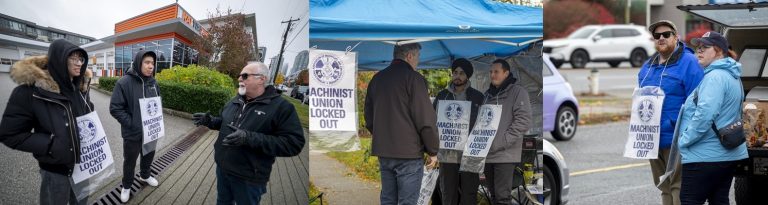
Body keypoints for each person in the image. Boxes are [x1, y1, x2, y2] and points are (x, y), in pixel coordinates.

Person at [192, 62, 305, 204]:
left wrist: (248, 138)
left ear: (261, 79)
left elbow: (294, 143)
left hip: (249, 178)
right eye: (240, 75)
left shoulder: (281, 107)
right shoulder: (236, 100)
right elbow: (225, 123)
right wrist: (210, 121)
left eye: (245, 76)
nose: (239, 79)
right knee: (222, 202)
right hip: (223, 168)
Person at [0, 39, 93, 205]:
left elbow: (86, 117)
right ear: (59, 59)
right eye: (74, 58)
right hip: (55, 172)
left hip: (83, 166)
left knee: (81, 202)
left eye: (81, 59)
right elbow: (9, 134)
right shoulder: (30, 92)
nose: (79, 63)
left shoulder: (80, 88)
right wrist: (50, 144)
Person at [675, 31, 747, 205]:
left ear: (719, 51)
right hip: (725, 155)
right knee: (719, 200)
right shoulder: (732, 75)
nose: (699, 51)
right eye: (698, 47)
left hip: (704, 156)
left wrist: (684, 140)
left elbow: (705, 115)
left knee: (690, 201)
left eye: (705, 47)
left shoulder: (714, 77)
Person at [638, 20, 704, 205]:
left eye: (666, 34)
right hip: (651, 138)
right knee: (663, 184)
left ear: (676, 37)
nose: (661, 38)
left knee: (678, 186)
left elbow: (698, 102)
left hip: (677, 138)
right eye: (657, 35)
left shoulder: (690, 63)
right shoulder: (648, 66)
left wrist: (689, 135)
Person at [364, 42, 439, 204]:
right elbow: (425, 119)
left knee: (388, 200)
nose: (418, 62)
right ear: (409, 56)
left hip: (384, 151)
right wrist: (433, 150)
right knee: (407, 201)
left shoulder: (377, 79)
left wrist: (384, 136)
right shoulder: (414, 79)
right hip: (409, 154)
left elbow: (369, 119)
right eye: (417, 57)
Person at [109, 50, 161, 203]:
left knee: (149, 155)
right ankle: (126, 185)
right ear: (139, 63)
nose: (150, 66)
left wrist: (157, 121)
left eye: (152, 63)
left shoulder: (153, 82)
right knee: (130, 161)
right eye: (147, 62)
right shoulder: (124, 82)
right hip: (133, 133)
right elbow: (115, 108)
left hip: (150, 131)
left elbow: (156, 104)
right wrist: (132, 124)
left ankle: (145, 175)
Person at [431, 58, 484, 205]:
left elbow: (483, 124)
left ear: (467, 76)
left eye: (461, 73)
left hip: (470, 152)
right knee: (448, 191)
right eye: (455, 72)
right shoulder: (442, 96)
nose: (457, 76)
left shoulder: (478, 97)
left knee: (470, 191)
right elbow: (432, 122)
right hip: (447, 152)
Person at [482, 59, 532, 205]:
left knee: (502, 197)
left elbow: (523, 121)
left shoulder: (518, 92)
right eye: (491, 72)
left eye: (496, 71)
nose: (492, 75)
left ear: (506, 73)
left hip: (505, 155)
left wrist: (501, 142)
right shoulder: (487, 95)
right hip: (488, 154)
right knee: (493, 196)